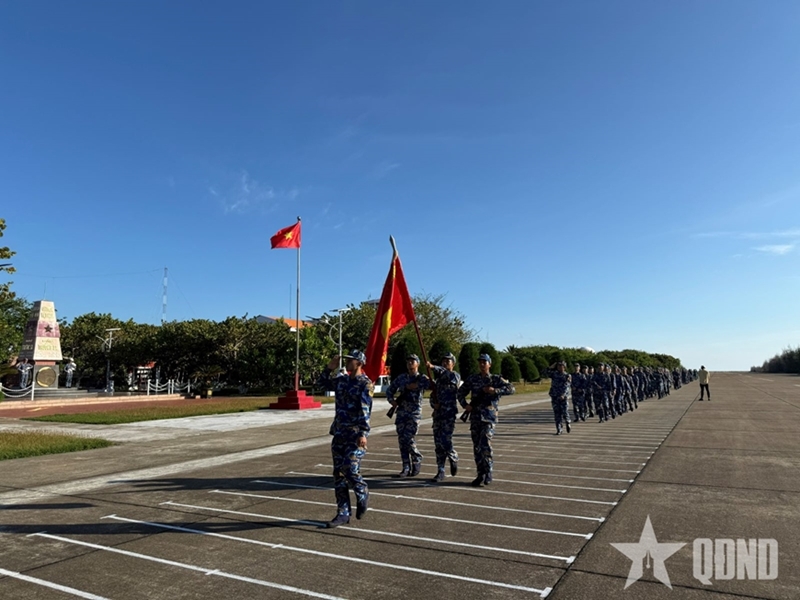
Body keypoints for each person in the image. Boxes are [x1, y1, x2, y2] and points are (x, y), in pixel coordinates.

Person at [316, 350, 373, 528]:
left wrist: (363, 433)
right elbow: (320, 384)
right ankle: (343, 513)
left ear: (359, 363)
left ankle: (362, 490)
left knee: (350, 467)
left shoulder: (365, 383)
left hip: (355, 434)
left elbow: (365, 409)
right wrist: (329, 368)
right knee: (338, 475)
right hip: (340, 432)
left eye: (351, 360)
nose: (347, 362)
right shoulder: (342, 380)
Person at [457, 354, 515, 486]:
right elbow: (460, 392)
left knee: (485, 444)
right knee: (477, 447)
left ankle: (488, 471)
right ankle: (480, 474)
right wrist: (465, 405)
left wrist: (495, 390)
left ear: (490, 364)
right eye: (480, 362)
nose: (482, 364)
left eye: (485, 362)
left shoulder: (495, 379)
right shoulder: (473, 378)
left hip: (489, 417)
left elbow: (511, 389)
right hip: (475, 417)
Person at [386, 354, 431, 477]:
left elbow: (432, 385)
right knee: (402, 440)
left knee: (408, 438)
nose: (410, 363)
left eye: (412, 361)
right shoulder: (401, 378)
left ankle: (416, 458)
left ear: (418, 364)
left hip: (414, 413)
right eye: (408, 361)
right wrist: (392, 401)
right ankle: (406, 466)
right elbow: (390, 390)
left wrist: (417, 385)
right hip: (401, 412)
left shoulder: (422, 378)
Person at [427, 352, 461, 482]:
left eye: (448, 361)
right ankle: (440, 470)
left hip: (449, 414)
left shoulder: (454, 375)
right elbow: (433, 396)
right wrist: (434, 404)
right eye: (443, 361)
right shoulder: (438, 381)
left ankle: (453, 456)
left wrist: (433, 367)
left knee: (446, 441)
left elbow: (446, 374)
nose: (445, 363)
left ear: (453, 364)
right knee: (438, 444)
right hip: (438, 415)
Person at [549, 361, 571, 435]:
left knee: (565, 412)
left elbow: (567, 386)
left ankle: (568, 422)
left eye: (561, 366)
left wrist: (563, 395)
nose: (560, 367)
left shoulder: (567, 375)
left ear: (564, 367)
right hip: (555, 396)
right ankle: (559, 429)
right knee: (557, 414)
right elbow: (544, 372)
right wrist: (551, 366)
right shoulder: (554, 374)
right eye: (558, 366)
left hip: (563, 397)